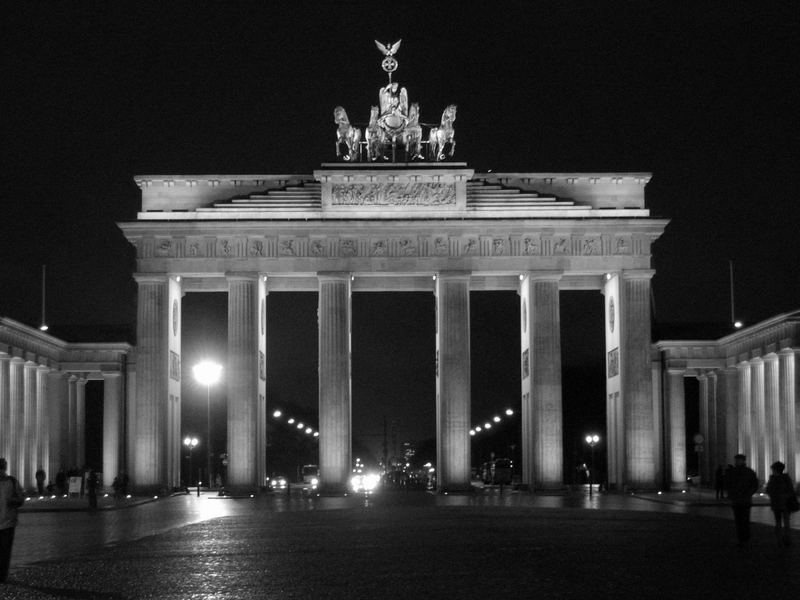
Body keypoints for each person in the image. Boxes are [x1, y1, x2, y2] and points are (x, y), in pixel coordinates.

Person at [726, 454, 760, 546]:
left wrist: (733, 494)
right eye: (736, 460)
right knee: (742, 520)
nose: (736, 462)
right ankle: (743, 538)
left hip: (741, 499)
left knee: (741, 520)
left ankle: (743, 538)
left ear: (743, 461)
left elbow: (755, 485)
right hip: (742, 499)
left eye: (737, 460)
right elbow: (755, 485)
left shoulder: (737, 472)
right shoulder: (747, 471)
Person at [0, 457, 25, 583]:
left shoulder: (12, 482)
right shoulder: (12, 481)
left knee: (5, 551)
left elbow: (21, 499)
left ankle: (2, 575)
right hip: (6, 522)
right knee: (4, 550)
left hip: (8, 522)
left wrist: (12, 501)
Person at [765, 461, 795, 547]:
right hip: (784, 504)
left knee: (779, 523)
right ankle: (786, 539)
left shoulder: (773, 479)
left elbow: (768, 490)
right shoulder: (786, 478)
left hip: (779, 504)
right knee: (785, 523)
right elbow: (791, 491)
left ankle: (781, 540)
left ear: (775, 470)